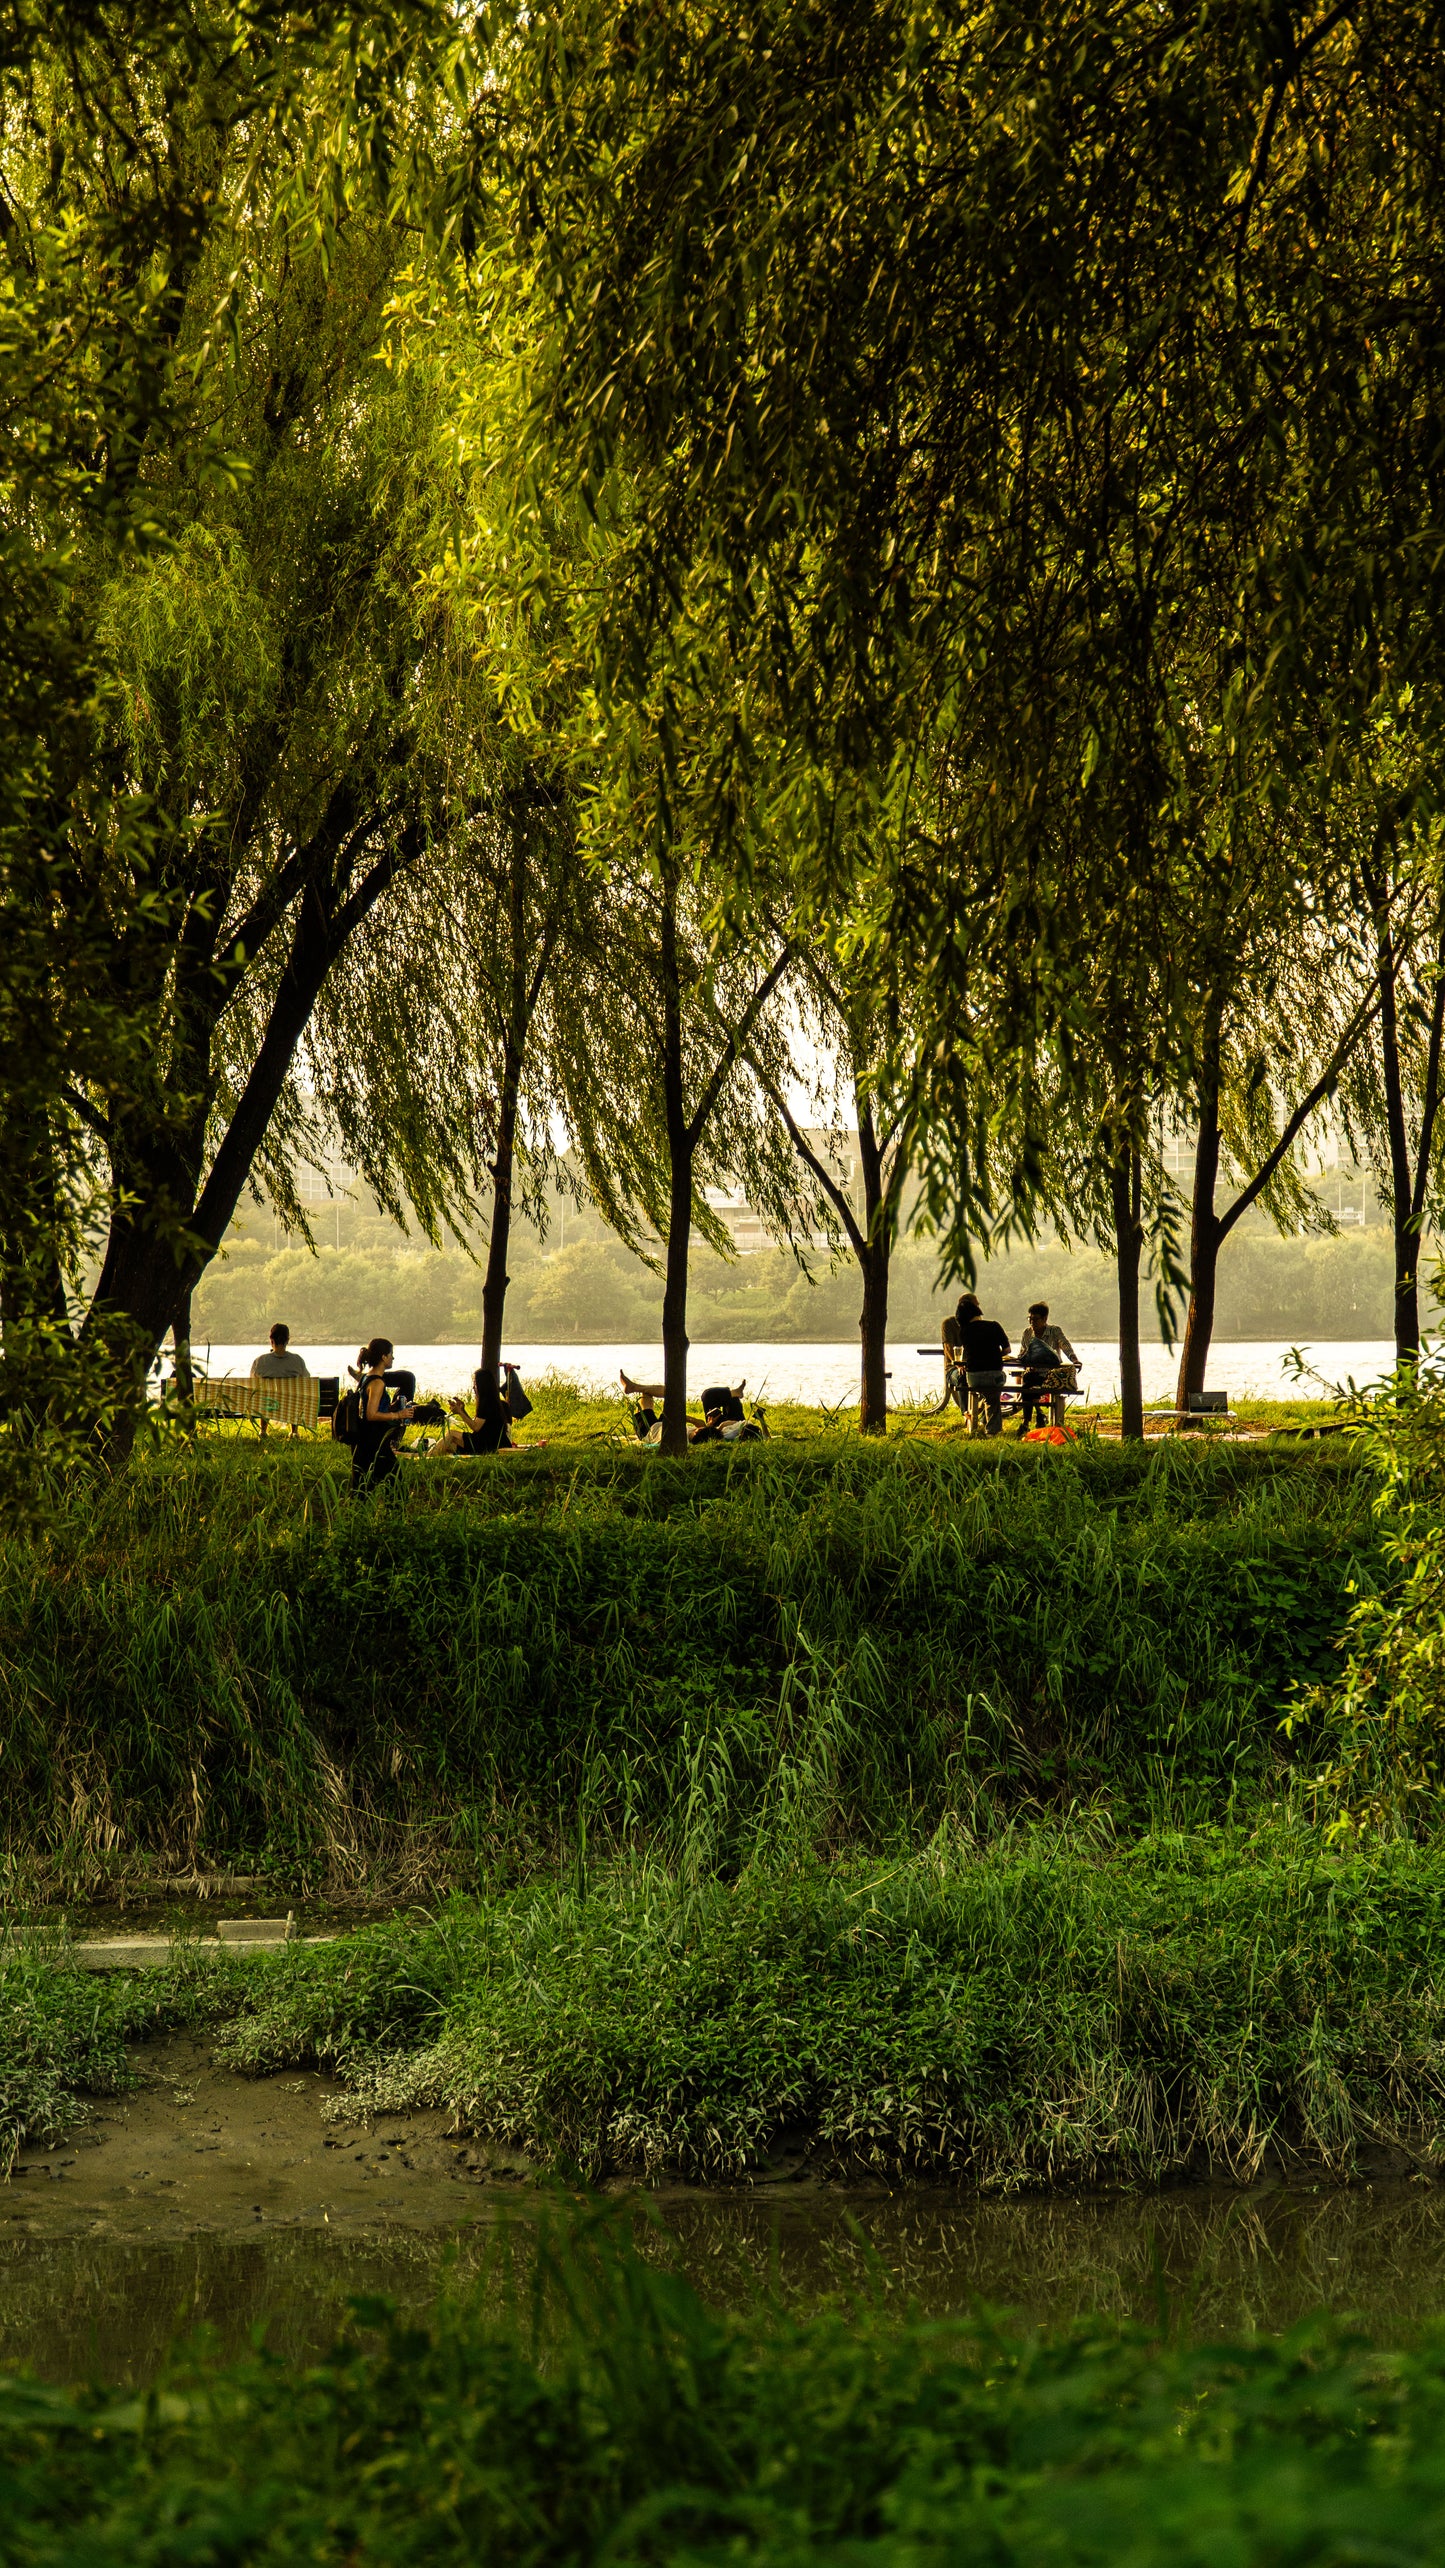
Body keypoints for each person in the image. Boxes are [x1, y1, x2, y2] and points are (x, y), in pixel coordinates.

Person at [423, 1360, 548, 1458]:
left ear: (482, 1386)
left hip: (487, 1444)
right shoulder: (492, 1401)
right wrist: (463, 1410)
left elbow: (476, 1427)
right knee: (448, 1444)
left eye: (475, 1384)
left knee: (451, 1434)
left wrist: (460, 1412)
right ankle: (428, 1456)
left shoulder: (487, 1403)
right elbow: (479, 1424)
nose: (473, 1388)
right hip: (486, 1441)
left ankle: (427, 1457)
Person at [351, 1337, 414, 1490]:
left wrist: (391, 1407)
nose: (393, 1357)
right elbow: (371, 1415)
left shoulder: (366, 1377)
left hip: (364, 1439)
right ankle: (395, 1512)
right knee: (396, 1484)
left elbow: (369, 1407)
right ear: (384, 1357)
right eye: (391, 1354)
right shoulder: (378, 1383)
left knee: (364, 1486)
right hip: (373, 1440)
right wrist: (399, 1415)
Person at [1017, 1301, 1081, 1432]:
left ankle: (1035, 1417)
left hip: (1051, 1374)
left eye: (1035, 1319)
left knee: (1028, 1386)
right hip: (1032, 1373)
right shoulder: (1027, 1333)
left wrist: (1074, 1359)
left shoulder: (1054, 1331)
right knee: (1027, 1384)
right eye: (1030, 1319)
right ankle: (1029, 1420)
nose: (1032, 1323)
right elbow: (1022, 1353)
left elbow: (1065, 1345)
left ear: (1045, 1319)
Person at [958, 1292, 1010, 1437]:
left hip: (973, 1377)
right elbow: (1007, 1350)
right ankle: (991, 1431)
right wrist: (995, 1356)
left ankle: (976, 1416)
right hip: (994, 1374)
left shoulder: (964, 1331)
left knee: (987, 1394)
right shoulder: (994, 1326)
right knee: (993, 1396)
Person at [250, 1322, 309, 1437]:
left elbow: (252, 1381)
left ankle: (263, 1431)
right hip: (291, 1404)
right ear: (287, 1340)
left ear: (271, 1340)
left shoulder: (260, 1361)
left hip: (267, 1404)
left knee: (265, 1395)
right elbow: (306, 1380)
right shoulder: (297, 1360)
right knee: (295, 1395)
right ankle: (294, 1431)